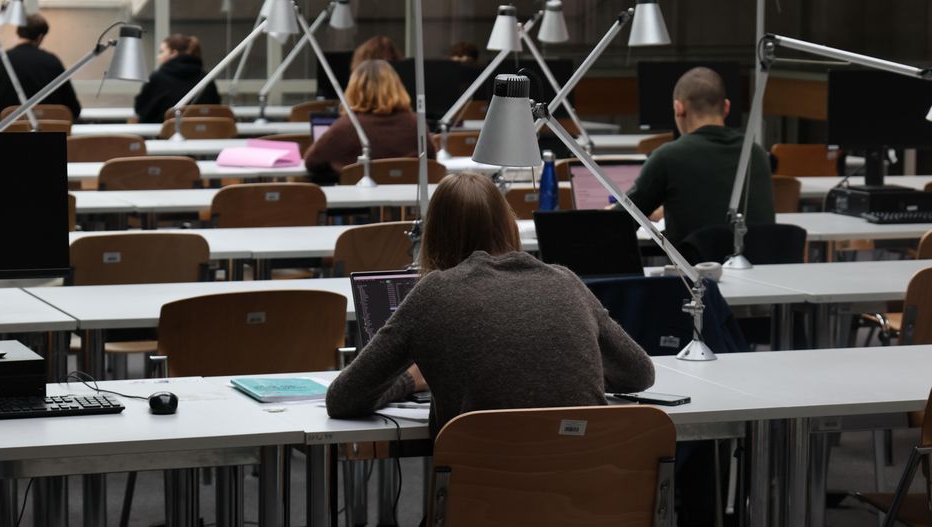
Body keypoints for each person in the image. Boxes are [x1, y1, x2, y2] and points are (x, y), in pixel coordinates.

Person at [325, 172, 655, 439]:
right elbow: (639, 373)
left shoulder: (434, 292)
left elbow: (343, 398)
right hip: (589, 487)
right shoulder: (566, 282)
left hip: (484, 491)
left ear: (435, 236)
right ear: (508, 224)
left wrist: (411, 381)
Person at [626, 66, 775, 246]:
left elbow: (620, 222)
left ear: (679, 108)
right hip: (757, 263)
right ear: (726, 107)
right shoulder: (756, 154)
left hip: (695, 264)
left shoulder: (668, 157)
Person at [303, 59, 435, 185]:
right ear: (397, 87)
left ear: (354, 90)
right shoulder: (415, 124)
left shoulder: (346, 126)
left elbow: (312, 162)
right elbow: (431, 160)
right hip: (408, 198)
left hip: (355, 199)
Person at [0, 14, 81, 119]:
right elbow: (74, 109)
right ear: (40, 37)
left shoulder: (2, 60)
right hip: (50, 128)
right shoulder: (52, 61)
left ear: (18, 33)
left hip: (10, 128)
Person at [133, 34, 220, 124]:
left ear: (173, 53)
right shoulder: (205, 78)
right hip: (201, 131)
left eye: (161, 52)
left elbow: (140, 109)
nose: (158, 57)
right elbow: (215, 109)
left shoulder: (157, 78)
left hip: (162, 131)